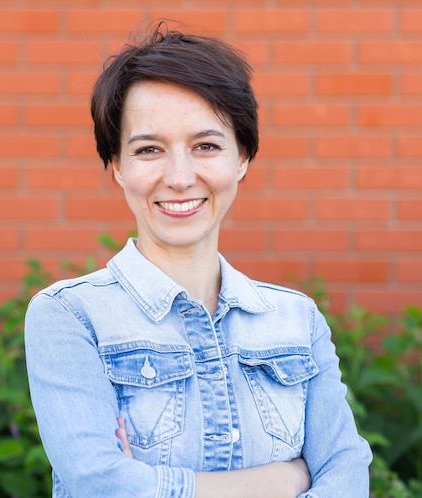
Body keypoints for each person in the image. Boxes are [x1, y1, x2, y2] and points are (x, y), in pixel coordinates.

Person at [25, 22, 372, 498]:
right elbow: (100, 483)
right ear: (117, 167)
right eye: (149, 150)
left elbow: (346, 473)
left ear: (243, 157)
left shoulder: (297, 321)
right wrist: (282, 480)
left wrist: (153, 484)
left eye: (205, 146)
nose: (180, 177)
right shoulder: (70, 317)